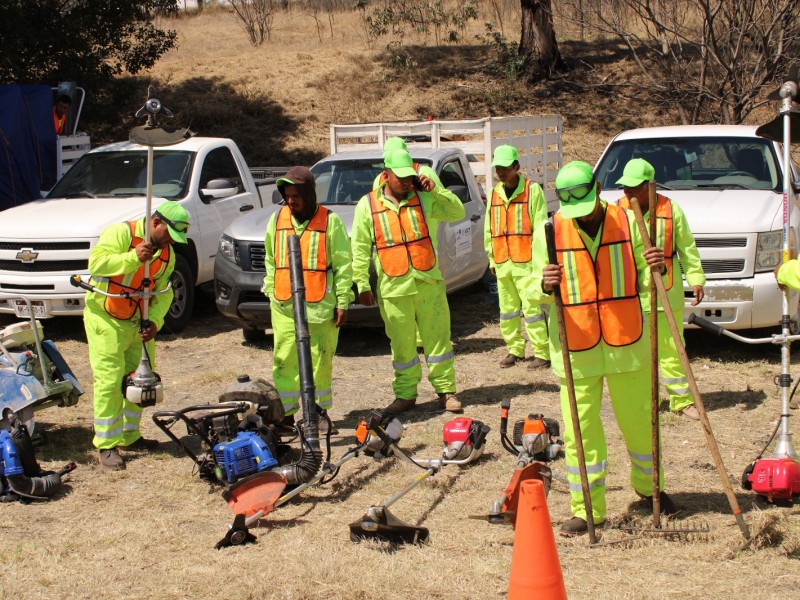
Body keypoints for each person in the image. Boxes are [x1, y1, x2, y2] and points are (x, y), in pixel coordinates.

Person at [528, 160, 676, 535]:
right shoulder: (549, 231)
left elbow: (648, 280)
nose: (580, 216)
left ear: (597, 190)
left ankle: (649, 489)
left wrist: (659, 265)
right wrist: (544, 285)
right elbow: (532, 290)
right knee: (581, 435)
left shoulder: (628, 221)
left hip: (627, 341)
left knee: (642, 424)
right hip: (575, 348)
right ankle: (587, 508)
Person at [351, 148, 465, 414]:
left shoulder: (425, 199)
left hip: (428, 282)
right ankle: (405, 395)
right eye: (399, 176)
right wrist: (362, 284)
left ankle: (446, 392)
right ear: (386, 174)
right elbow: (359, 247)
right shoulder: (367, 205)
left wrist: (436, 189)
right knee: (402, 347)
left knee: (439, 342)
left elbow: (456, 212)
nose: (405, 181)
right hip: (393, 288)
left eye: (409, 176)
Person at [84, 202, 190, 470]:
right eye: (168, 235)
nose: (169, 243)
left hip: (137, 321)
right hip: (105, 318)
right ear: (156, 223)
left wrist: (154, 321)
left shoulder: (168, 255)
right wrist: (133, 257)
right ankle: (107, 444)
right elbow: (96, 263)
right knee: (109, 381)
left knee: (142, 381)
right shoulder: (121, 233)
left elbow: (165, 293)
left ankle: (130, 436)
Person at [263, 166, 353, 432]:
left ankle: (317, 414)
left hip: (319, 307)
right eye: (287, 195)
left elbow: (343, 266)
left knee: (320, 360)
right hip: (284, 305)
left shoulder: (330, 221)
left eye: (296, 195)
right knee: (284, 359)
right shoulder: (277, 219)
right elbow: (270, 258)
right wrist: (270, 287)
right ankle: (286, 417)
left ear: (309, 194)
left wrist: (343, 301)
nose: (292, 200)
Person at [616, 158, 706, 420]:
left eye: (634, 187)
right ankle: (645, 401)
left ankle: (681, 400)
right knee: (637, 352)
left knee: (671, 350)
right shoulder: (617, 211)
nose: (628, 192)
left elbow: (687, 248)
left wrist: (696, 278)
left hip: (665, 292)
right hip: (631, 295)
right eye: (625, 187)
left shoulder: (670, 209)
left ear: (651, 186)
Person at [484, 144, 551, 370]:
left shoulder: (532, 191)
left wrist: (540, 262)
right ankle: (515, 350)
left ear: (516, 167)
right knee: (508, 310)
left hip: (527, 262)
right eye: (498, 168)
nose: (501, 172)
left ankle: (542, 352)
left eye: (505, 168)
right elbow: (489, 228)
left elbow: (541, 228)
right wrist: (492, 258)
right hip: (503, 262)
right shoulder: (495, 192)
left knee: (532, 310)